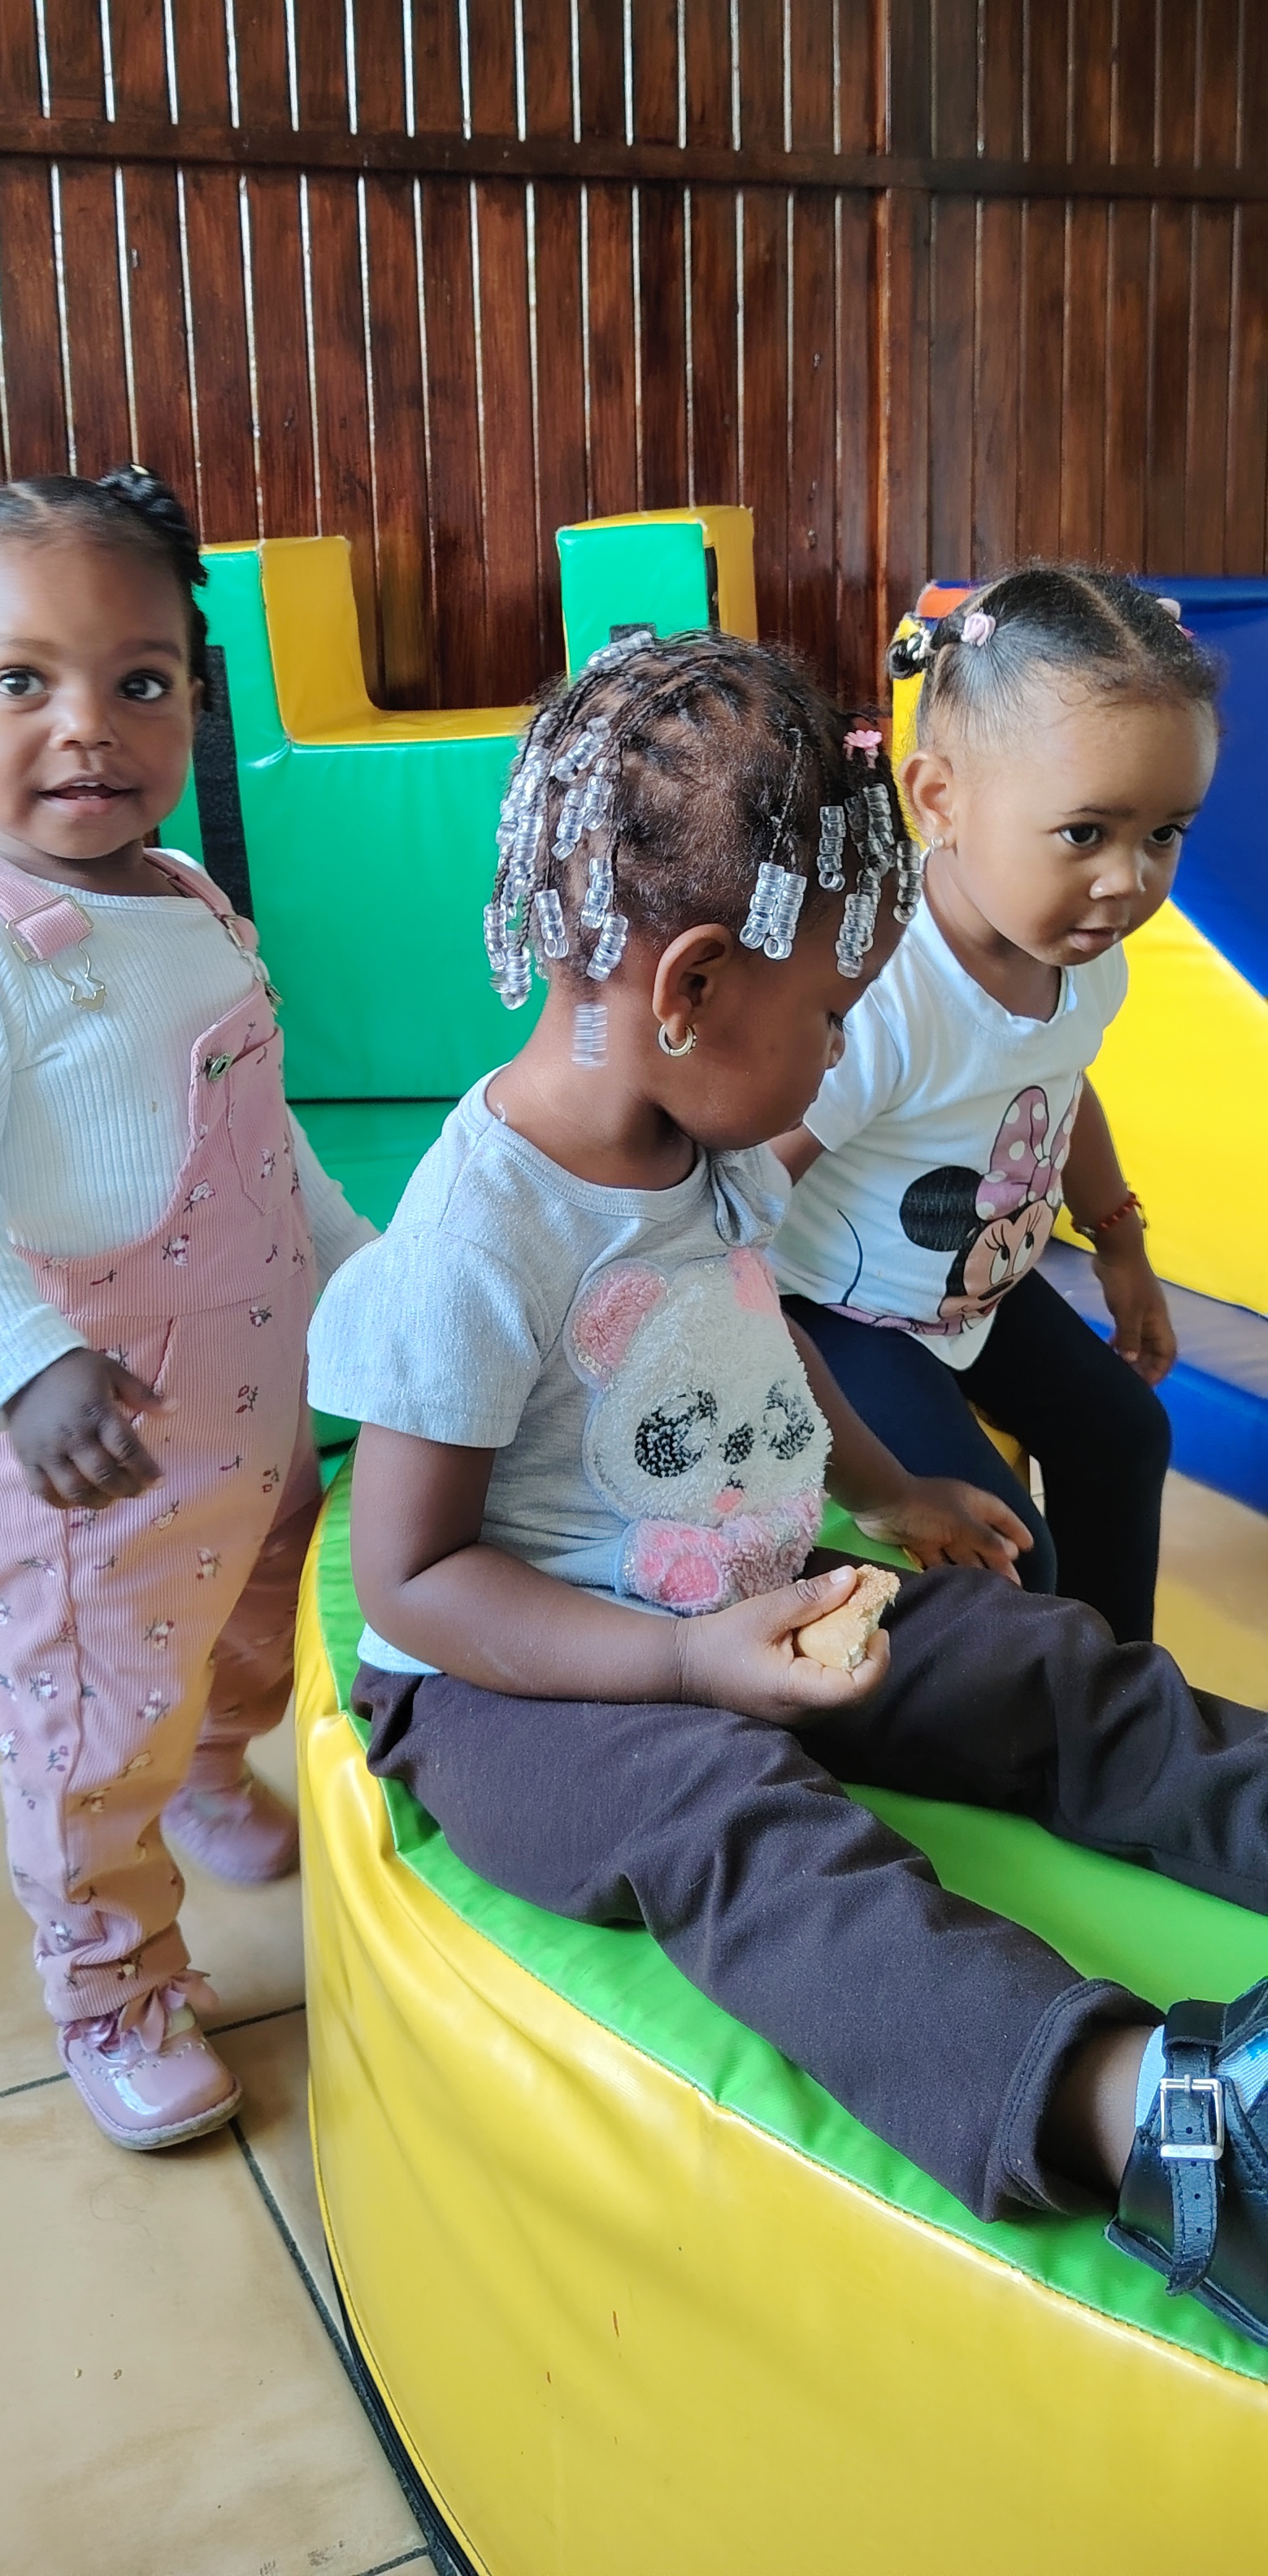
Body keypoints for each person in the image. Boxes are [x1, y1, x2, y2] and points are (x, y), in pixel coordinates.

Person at [309, 631, 1268, 2353]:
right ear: (690, 988)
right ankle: (1159, 2118)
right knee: (740, 1824)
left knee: (1042, 1662)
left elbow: (754, 1333)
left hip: (752, 1598)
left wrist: (886, 1490)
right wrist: (682, 1666)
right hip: (518, 1688)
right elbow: (413, 1581)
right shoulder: (477, 1239)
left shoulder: (711, 1143)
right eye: (832, 1014)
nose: (840, 1053)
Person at [0, 469, 371, 2153]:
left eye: (138, 680)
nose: (89, 725)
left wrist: (366, 1273)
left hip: (250, 1417)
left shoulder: (193, 903)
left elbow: (265, 1140)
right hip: (84, 1455)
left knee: (254, 1631)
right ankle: (112, 1985)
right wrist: (20, 1365)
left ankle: (211, 1770)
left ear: (193, 701)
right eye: (22, 680)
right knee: (89, 1734)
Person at [769, 569, 1218, 1642]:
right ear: (940, 801)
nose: (1129, 881)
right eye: (1085, 833)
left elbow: (1060, 1083)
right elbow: (733, 1196)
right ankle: (1043, 1708)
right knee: (1012, 1546)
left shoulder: (1081, 952)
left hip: (973, 1290)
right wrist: (874, 1480)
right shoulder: (884, 998)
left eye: (1165, 834)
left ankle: (1113, 1689)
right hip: (838, 1314)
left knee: (1127, 1437)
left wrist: (1121, 1244)